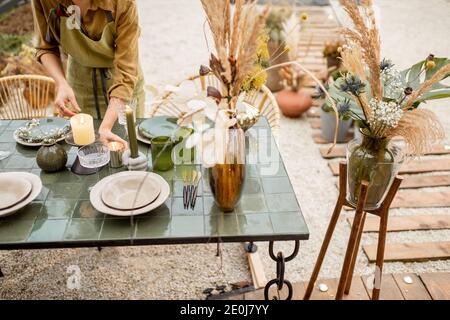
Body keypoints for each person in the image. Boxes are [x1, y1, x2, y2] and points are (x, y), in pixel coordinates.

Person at [32, 0, 145, 148]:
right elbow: (45, 47)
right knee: (87, 150)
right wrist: (61, 83)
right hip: (78, 83)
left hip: (122, 84)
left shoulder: (123, 3)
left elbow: (126, 71)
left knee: (127, 148)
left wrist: (106, 127)